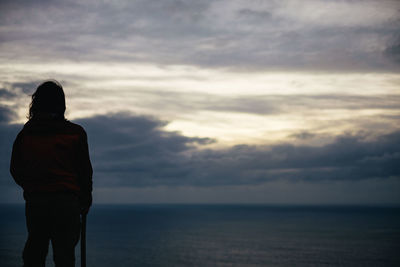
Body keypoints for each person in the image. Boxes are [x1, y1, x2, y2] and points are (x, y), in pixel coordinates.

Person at [10, 80, 93, 267]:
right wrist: (85, 200)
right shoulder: (76, 133)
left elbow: (15, 169)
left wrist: (32, 187)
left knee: (34, 254)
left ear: (36, 104)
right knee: (65, 257)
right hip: (67, 202)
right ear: (61, 104)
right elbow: (84, 172)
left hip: (36, 202)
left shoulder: (26, 134)